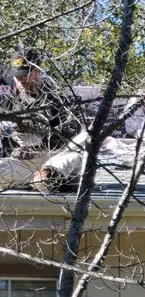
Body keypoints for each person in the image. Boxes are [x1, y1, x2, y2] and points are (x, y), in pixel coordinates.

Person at [0, 49, 87, 192]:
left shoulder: (57, 99)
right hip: (24, 163)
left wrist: (38, 146)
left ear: (38, 71)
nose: (20, 80)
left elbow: (71, 133)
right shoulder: (8, 101)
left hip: (55, 155)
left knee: (84, 138)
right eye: (16, 76)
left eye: (25, 75)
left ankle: (47, 177)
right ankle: (40, 180)